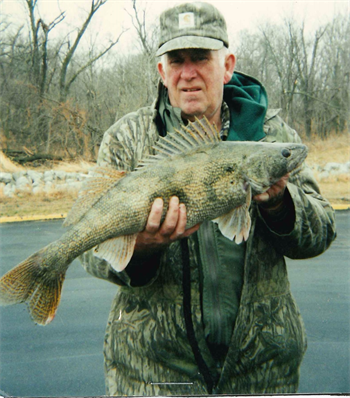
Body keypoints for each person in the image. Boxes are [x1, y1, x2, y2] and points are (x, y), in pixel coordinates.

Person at [80, 2, 336, 395]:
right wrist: (142, 248)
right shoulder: (125, 139)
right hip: (155, 375)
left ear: (228, 64)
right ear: (161, 71)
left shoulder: (271, 138)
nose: (188, 73)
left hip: (261, 373)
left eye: (200, 57)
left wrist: (279, 204)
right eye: (176, 60)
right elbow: (90, 250)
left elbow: (321, 232)